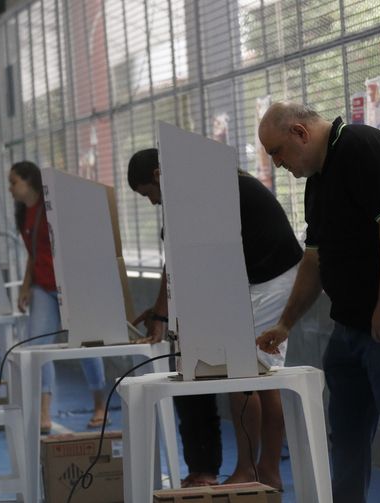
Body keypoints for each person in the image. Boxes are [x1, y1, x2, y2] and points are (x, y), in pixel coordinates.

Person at [256, 102, 380, 503]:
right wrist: (286, 323)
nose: (277, 164)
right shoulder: (318, 182)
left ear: (300, 133)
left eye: (277, 151)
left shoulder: (362, 146)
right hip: (349, 330)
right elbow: (315, 259)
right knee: (346, 438)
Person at [128, 148, 302, 489]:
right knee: (263, 377)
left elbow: (175, 261)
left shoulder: (194, 190)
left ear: (158, 175)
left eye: (148, 194)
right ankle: (266, 471)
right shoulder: (211, 182)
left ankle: (250, 470)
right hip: (272, 275)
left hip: (270, 279)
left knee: (241, 375)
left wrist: (162, 315)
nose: (152, 204)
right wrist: (164, 310)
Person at [8, 161, 109, 434]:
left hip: (70, 285)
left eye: (13, 182)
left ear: (30, 181)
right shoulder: (23, 214)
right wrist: (25, 287)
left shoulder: (52, 206)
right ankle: (43, 413)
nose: (10, 189)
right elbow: (32, 255)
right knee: (39, 348)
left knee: (85, 345)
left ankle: (100, 404)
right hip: (42, 287)